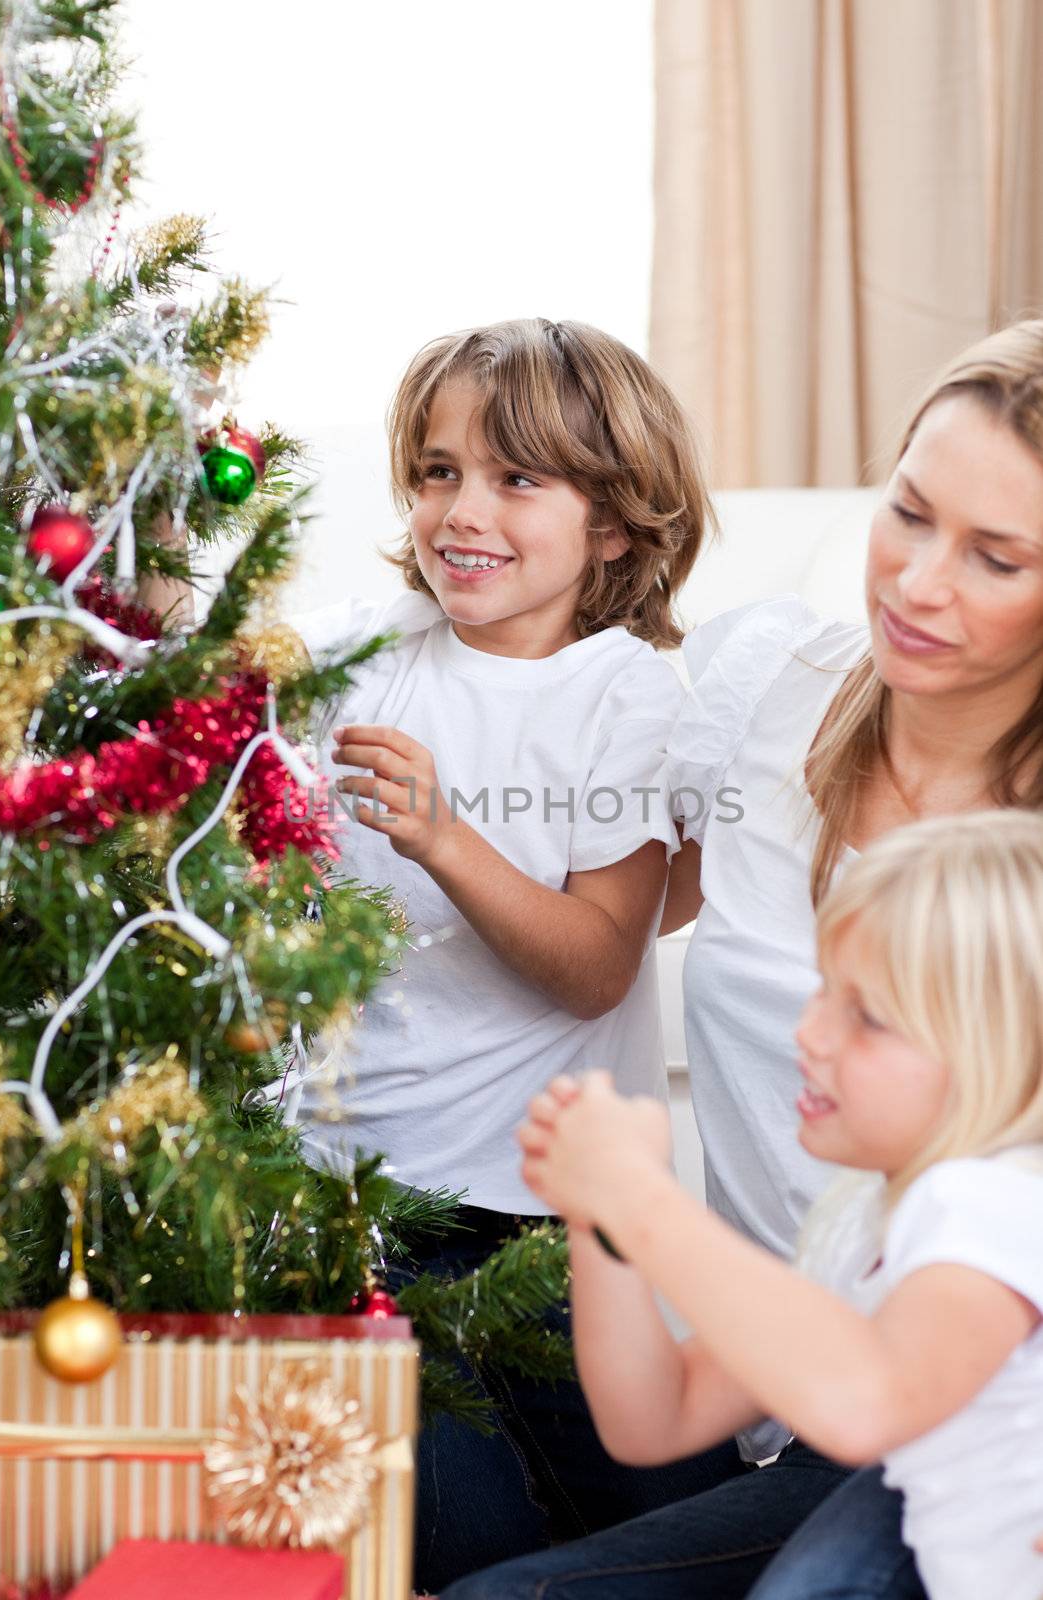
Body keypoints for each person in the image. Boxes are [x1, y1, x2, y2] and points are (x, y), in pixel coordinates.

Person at [440, 318, 1043, 1598]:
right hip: (796, 1398)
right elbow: (589, 920)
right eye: (908, 513)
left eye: (994, 557)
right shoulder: (761, 692)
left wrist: (643, 1207)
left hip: (956, 1416)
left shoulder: (964, 1216)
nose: (917, 583)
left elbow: (893, 1381)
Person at [278, 319, 753, 1591]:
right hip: (355, 1202)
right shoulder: (362, 657)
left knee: (683, 1515)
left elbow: (602, 960)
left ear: (612, 524)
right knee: (464, 1538)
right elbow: (214, 684)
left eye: (514, 477)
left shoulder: (627, 695)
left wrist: (444, 834)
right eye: (436, 472)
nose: (460, 510)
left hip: (555, 1221)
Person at [490, 808, 1043, 1600]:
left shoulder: (993, 1200)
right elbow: (656, 1419)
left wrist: (641, 1197)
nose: (807, 1035)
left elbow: (866, 1405)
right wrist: (599, 1218)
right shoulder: (861, 1220)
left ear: (1001, 1050)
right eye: (822, 993)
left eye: (868, 1018)